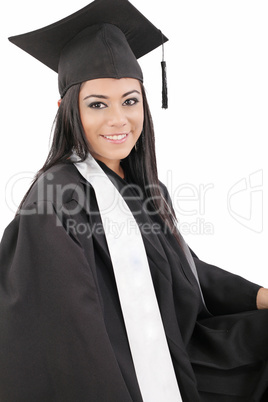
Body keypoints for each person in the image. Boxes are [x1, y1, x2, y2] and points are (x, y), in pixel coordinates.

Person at [0, 0, 268, 401]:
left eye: (129, 100)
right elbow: (73, 334)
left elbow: (187, 269)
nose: (118, 120)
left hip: (182, 352)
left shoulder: (144, 185)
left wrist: (259, 296)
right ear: (66, 110)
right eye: (96, 105)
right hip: (128, 377)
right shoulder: (56, 196)